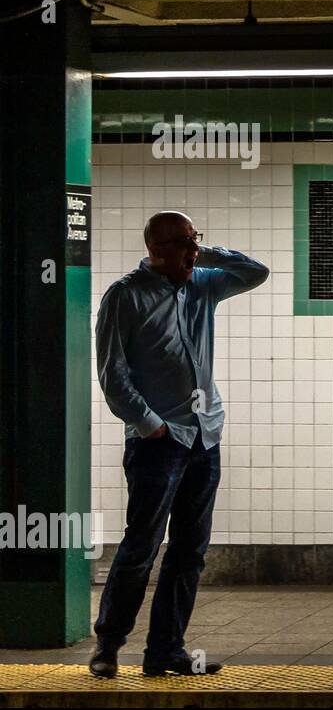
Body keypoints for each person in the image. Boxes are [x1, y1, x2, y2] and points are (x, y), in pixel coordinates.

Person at [89, 211, 268, 678]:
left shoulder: (203, 284)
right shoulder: (125, 297)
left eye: (195, 241)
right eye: (183, 243)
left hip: (205, 437)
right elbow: (113, 374)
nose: (192, 250)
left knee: (190, 550)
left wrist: (200, 252)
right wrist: (150, 425)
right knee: (142, 545)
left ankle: (165, 650)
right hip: (159, 442)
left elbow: (256, 272)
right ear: (155, 248)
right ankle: (108, 645)